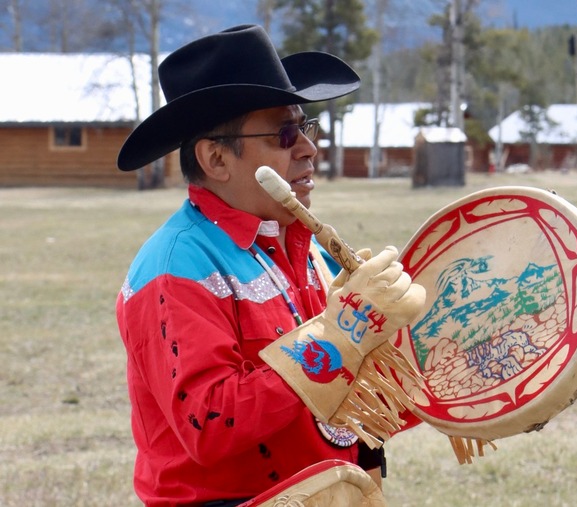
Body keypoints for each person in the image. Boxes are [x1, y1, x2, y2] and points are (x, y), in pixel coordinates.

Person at [115, 24, 425, 506]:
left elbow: (352, 407)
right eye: (284, 133)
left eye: (306, 127)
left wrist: (449, 363)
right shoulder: (174, 269)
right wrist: (340, 335)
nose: (307, 147)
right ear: (216, 158)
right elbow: (211, 425)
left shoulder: (307, 249)